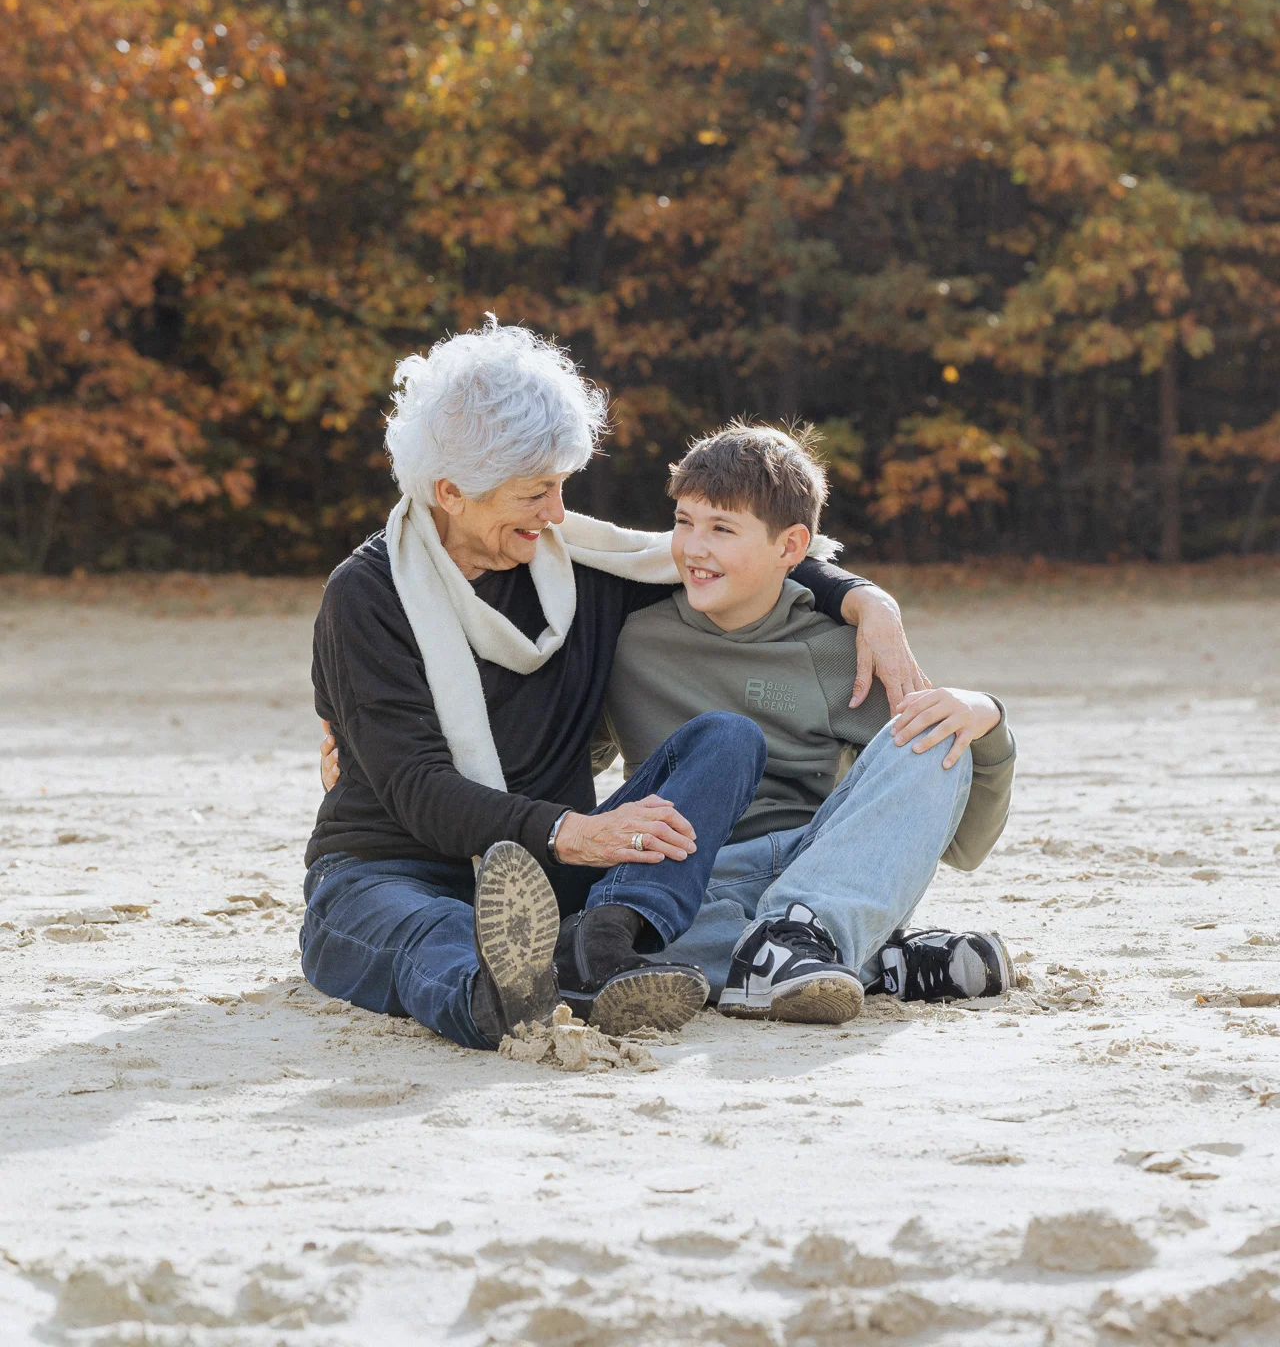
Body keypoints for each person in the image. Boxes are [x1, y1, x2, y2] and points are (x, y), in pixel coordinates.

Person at [301, 319, 920, 1053]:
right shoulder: (366, 595)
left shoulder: (581, 569)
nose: (559, 514)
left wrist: (865, 600)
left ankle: (605, 941)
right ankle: (501, 997)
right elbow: (416, 787)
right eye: (536, 493)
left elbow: (728, 558)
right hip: (390, 868)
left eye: (562, 486)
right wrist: (572, 830)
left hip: (556, 876)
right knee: (429, 929)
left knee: (724, 738)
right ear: (451, 491)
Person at [598, 422, 1016, 1023]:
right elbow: (566, 766)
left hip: (819, 868)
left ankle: (807, 937)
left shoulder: (836, 650)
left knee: (930, 727)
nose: (693, 547)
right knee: (623, 933)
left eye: (722, 528)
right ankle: (870, 958)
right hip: (692, 881)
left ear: (792, 547)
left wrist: (986, 720)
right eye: (684, 521)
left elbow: (959, 844)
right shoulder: (630, 642)